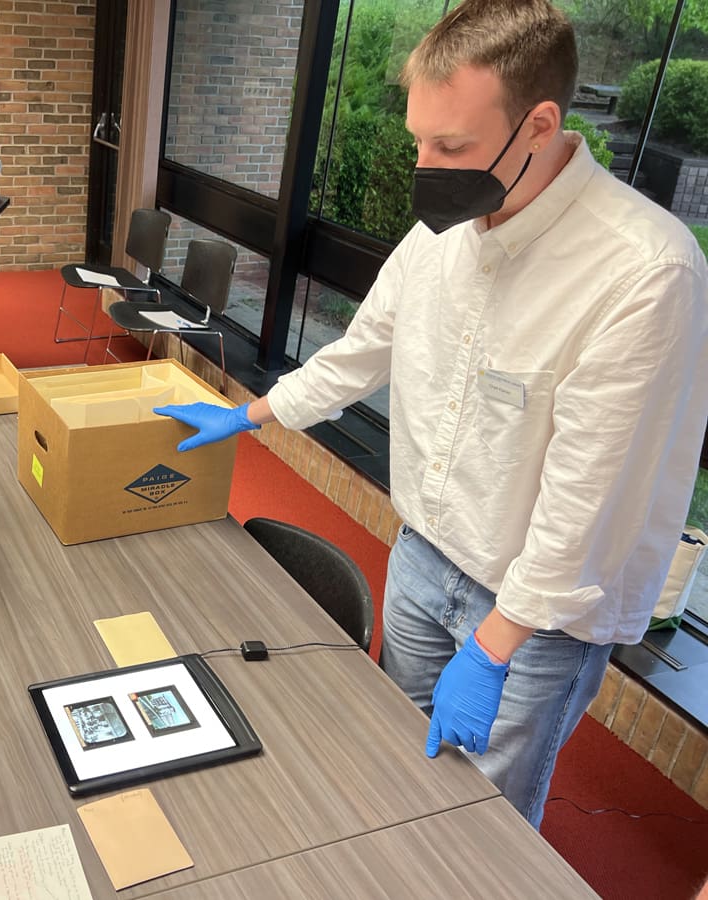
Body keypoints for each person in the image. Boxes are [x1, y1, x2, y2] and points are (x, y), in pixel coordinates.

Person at [154, 0, 708, 829]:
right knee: (391, 763)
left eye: (450, 146)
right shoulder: (442, 233)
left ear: (540, 124)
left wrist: (495, 646)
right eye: (419, 139)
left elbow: (589, 500)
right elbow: (365, 348)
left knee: (481, 821)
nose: (426, 165)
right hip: (424, 553)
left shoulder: (645, 271)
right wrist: (256, 412)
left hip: (534, 610)